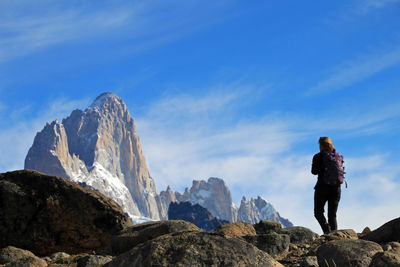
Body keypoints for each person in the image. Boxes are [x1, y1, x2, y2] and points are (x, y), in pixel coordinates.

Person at [311, 137, 343, 234]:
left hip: (322, 187)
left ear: (321, 145)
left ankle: (327, 232)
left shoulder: (318, 156)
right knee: (332, 215)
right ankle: (335, 235)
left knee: (318, 212)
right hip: (337, 188)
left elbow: (314, 172)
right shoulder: (338, 156)